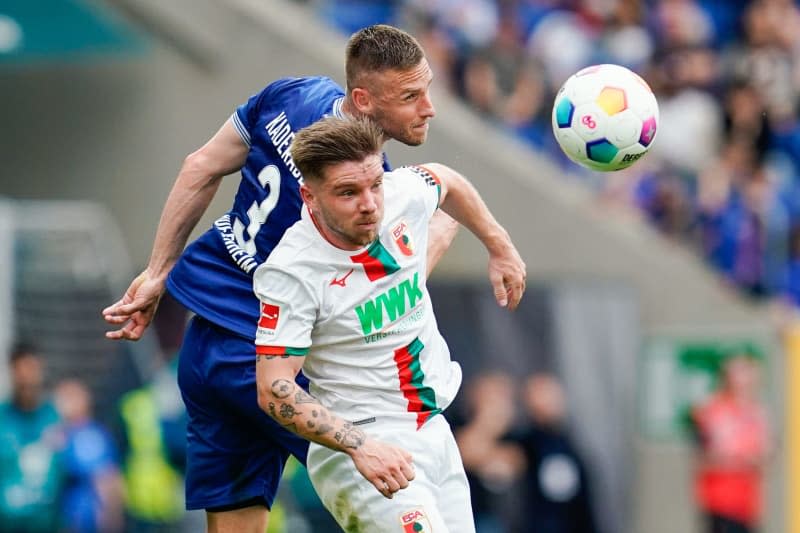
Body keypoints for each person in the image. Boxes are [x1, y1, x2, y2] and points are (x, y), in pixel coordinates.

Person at [102, 24, 467, 532]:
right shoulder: (363, 188)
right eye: (411, 96)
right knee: (397, 477)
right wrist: (443, 234)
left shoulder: (292, 95)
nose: (428, 107)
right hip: (278, 361)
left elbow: (201, 165)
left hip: (205, 343)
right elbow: (378, 289)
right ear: (363, 100)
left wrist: (156, 272)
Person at [253, 117, 526, 531]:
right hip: (363, 447)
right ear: (309, 196)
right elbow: (273, 389)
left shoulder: (398, 195)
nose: (369, 203)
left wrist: (499, 245)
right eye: (347, 192)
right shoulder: (293, 271)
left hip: (434, 430)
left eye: (374, 185)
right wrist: (361, 447)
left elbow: (446, 180)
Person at [691, 353, 772, 533]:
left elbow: (765, 454)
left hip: (748, 504)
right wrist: (741, 459)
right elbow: (705, 456)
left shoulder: (756, 412)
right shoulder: (712, 410)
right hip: (720, 502)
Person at [511, 373, 602, 533]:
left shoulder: (571, 445)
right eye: (539, 395)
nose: (546, 402)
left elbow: (585, 506)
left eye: (550, 395)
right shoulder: (526, 444)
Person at [0, 343, 64, 533]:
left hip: (47, 523)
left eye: (31, 370)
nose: (27, 379)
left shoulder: (56, 416)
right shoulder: (3, 418)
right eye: (21, 372)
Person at [54, 378, 125, 533]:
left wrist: (111, 516)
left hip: (86, 522)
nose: (62, 404)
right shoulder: (63, 433)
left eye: (69, 397)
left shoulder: (89, 436)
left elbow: (106, 478)